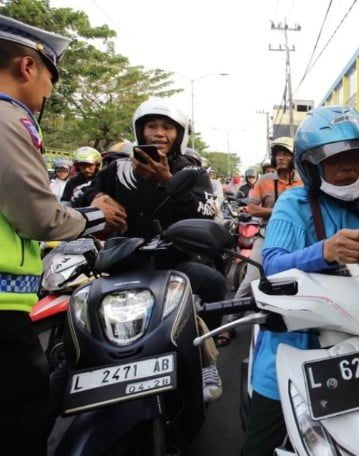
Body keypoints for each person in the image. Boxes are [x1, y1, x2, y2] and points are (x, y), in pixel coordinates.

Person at [240, 106, 359, 455]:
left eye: (358, 156)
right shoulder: (291, 203)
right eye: (336, 158)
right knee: (258, 446)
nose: (350, 166)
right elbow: (273, 265)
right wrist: (324, 251)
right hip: (299, 345)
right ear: (311, 165)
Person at [0, 14, 126, 453]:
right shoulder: (8, 118)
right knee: (21, 422)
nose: (49, 92)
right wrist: (93, 218)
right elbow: (39, 217)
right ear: (28, 67)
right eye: (51, 78)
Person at [84, 98, 225, 400]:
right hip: (121, 264)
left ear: (179, 133)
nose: (159, 133)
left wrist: (168, 181)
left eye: (167, 127)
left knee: (214, 282)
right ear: (140, 130)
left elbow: (207, 212)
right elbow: (81, 196)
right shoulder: (116, 169)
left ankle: (206, 362)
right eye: (151, 126)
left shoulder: (192, 171)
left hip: (172, 266)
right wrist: (96, 199)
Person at [222, 138, 303, 346]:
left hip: (295, 239)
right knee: (250, 281)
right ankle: (228, 326)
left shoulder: (303, 179)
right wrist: (279, 212)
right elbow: (251, 208)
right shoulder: (265, 180)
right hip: (267, 236)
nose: (281, 158)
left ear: (294, 157)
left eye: (286, 154)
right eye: (278, 154)